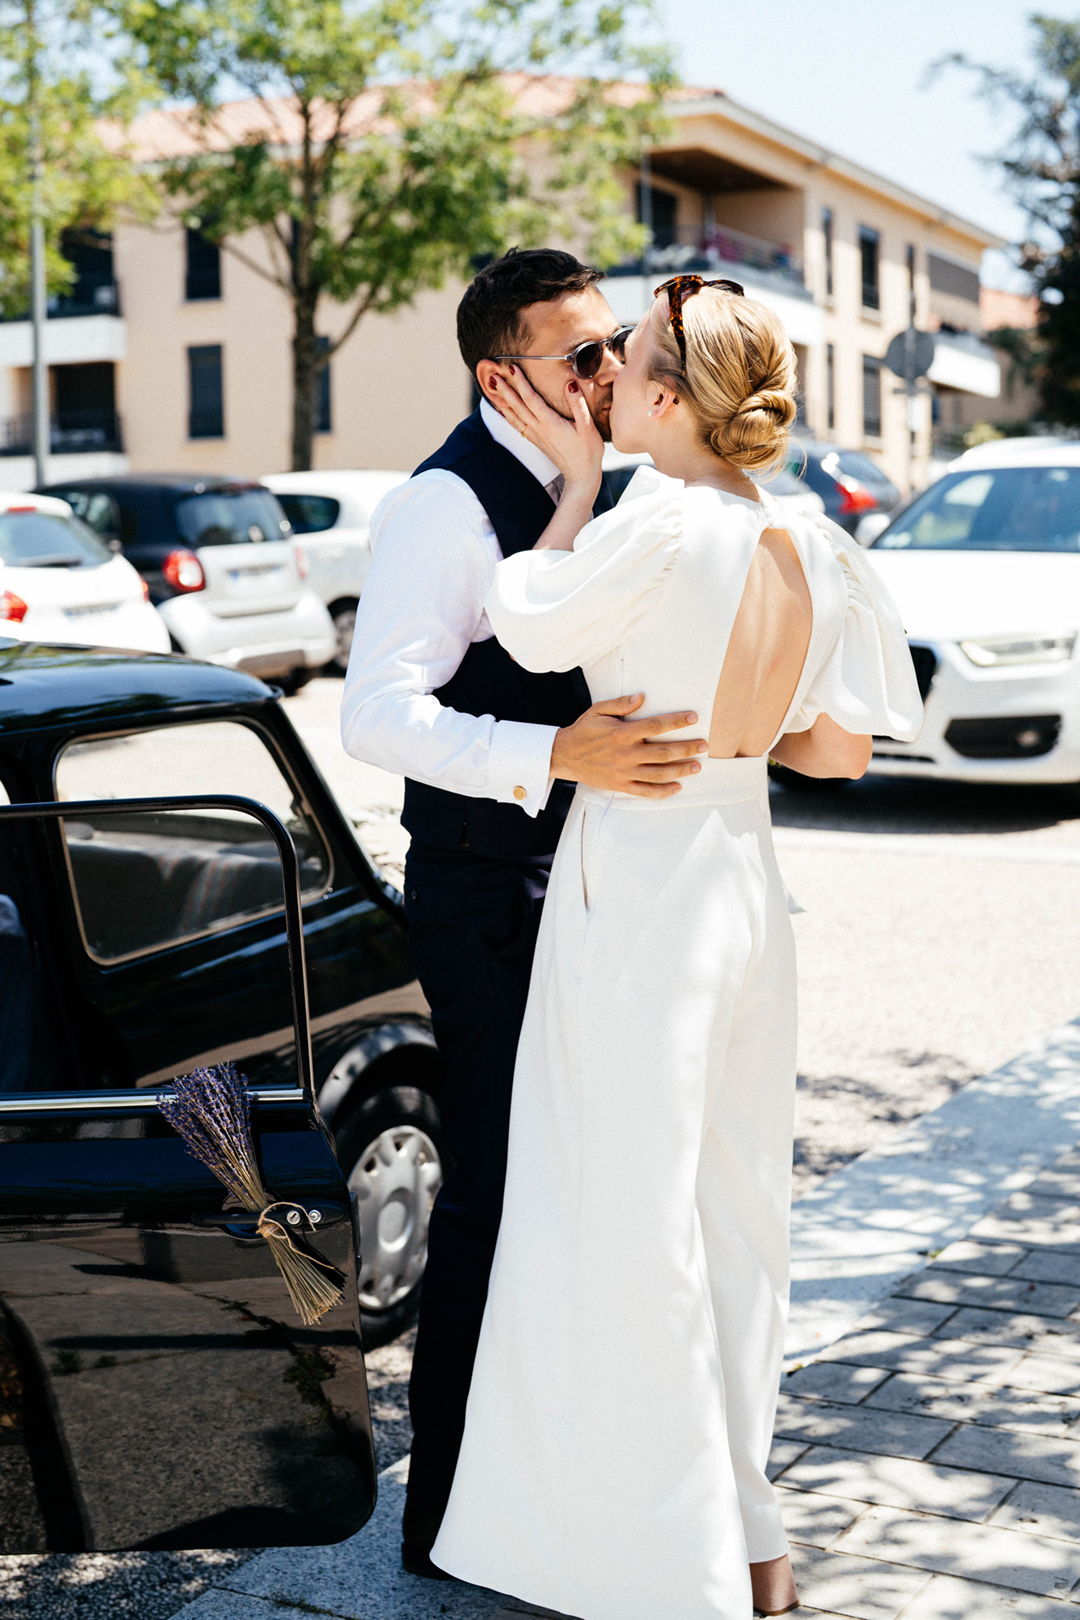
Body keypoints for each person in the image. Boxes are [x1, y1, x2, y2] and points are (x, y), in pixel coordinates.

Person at [429, 276, 924, 1619]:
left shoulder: (654, 519)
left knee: (620, 1219)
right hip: (747, 882)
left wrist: (581, 487)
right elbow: (838, 748)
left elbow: (527, 617)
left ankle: (667, 1562)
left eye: (625, 364)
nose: (603, 384)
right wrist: (732, 714)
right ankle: (752, 1541)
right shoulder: (812, 539)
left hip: (641, 884)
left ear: (666, 396)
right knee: (735, 1216)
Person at [340, 248, 710, 1576]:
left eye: (614, 346)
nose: (611, 373)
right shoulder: (442, 506)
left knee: (586, 1197)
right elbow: (376, 714)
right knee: (493, 1200)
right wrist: (552, 758)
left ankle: (553, 1498)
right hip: (484, 901)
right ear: (501, 375)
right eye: (581, 359)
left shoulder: (614, 475)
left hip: (608, 889)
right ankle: (442, 1526)